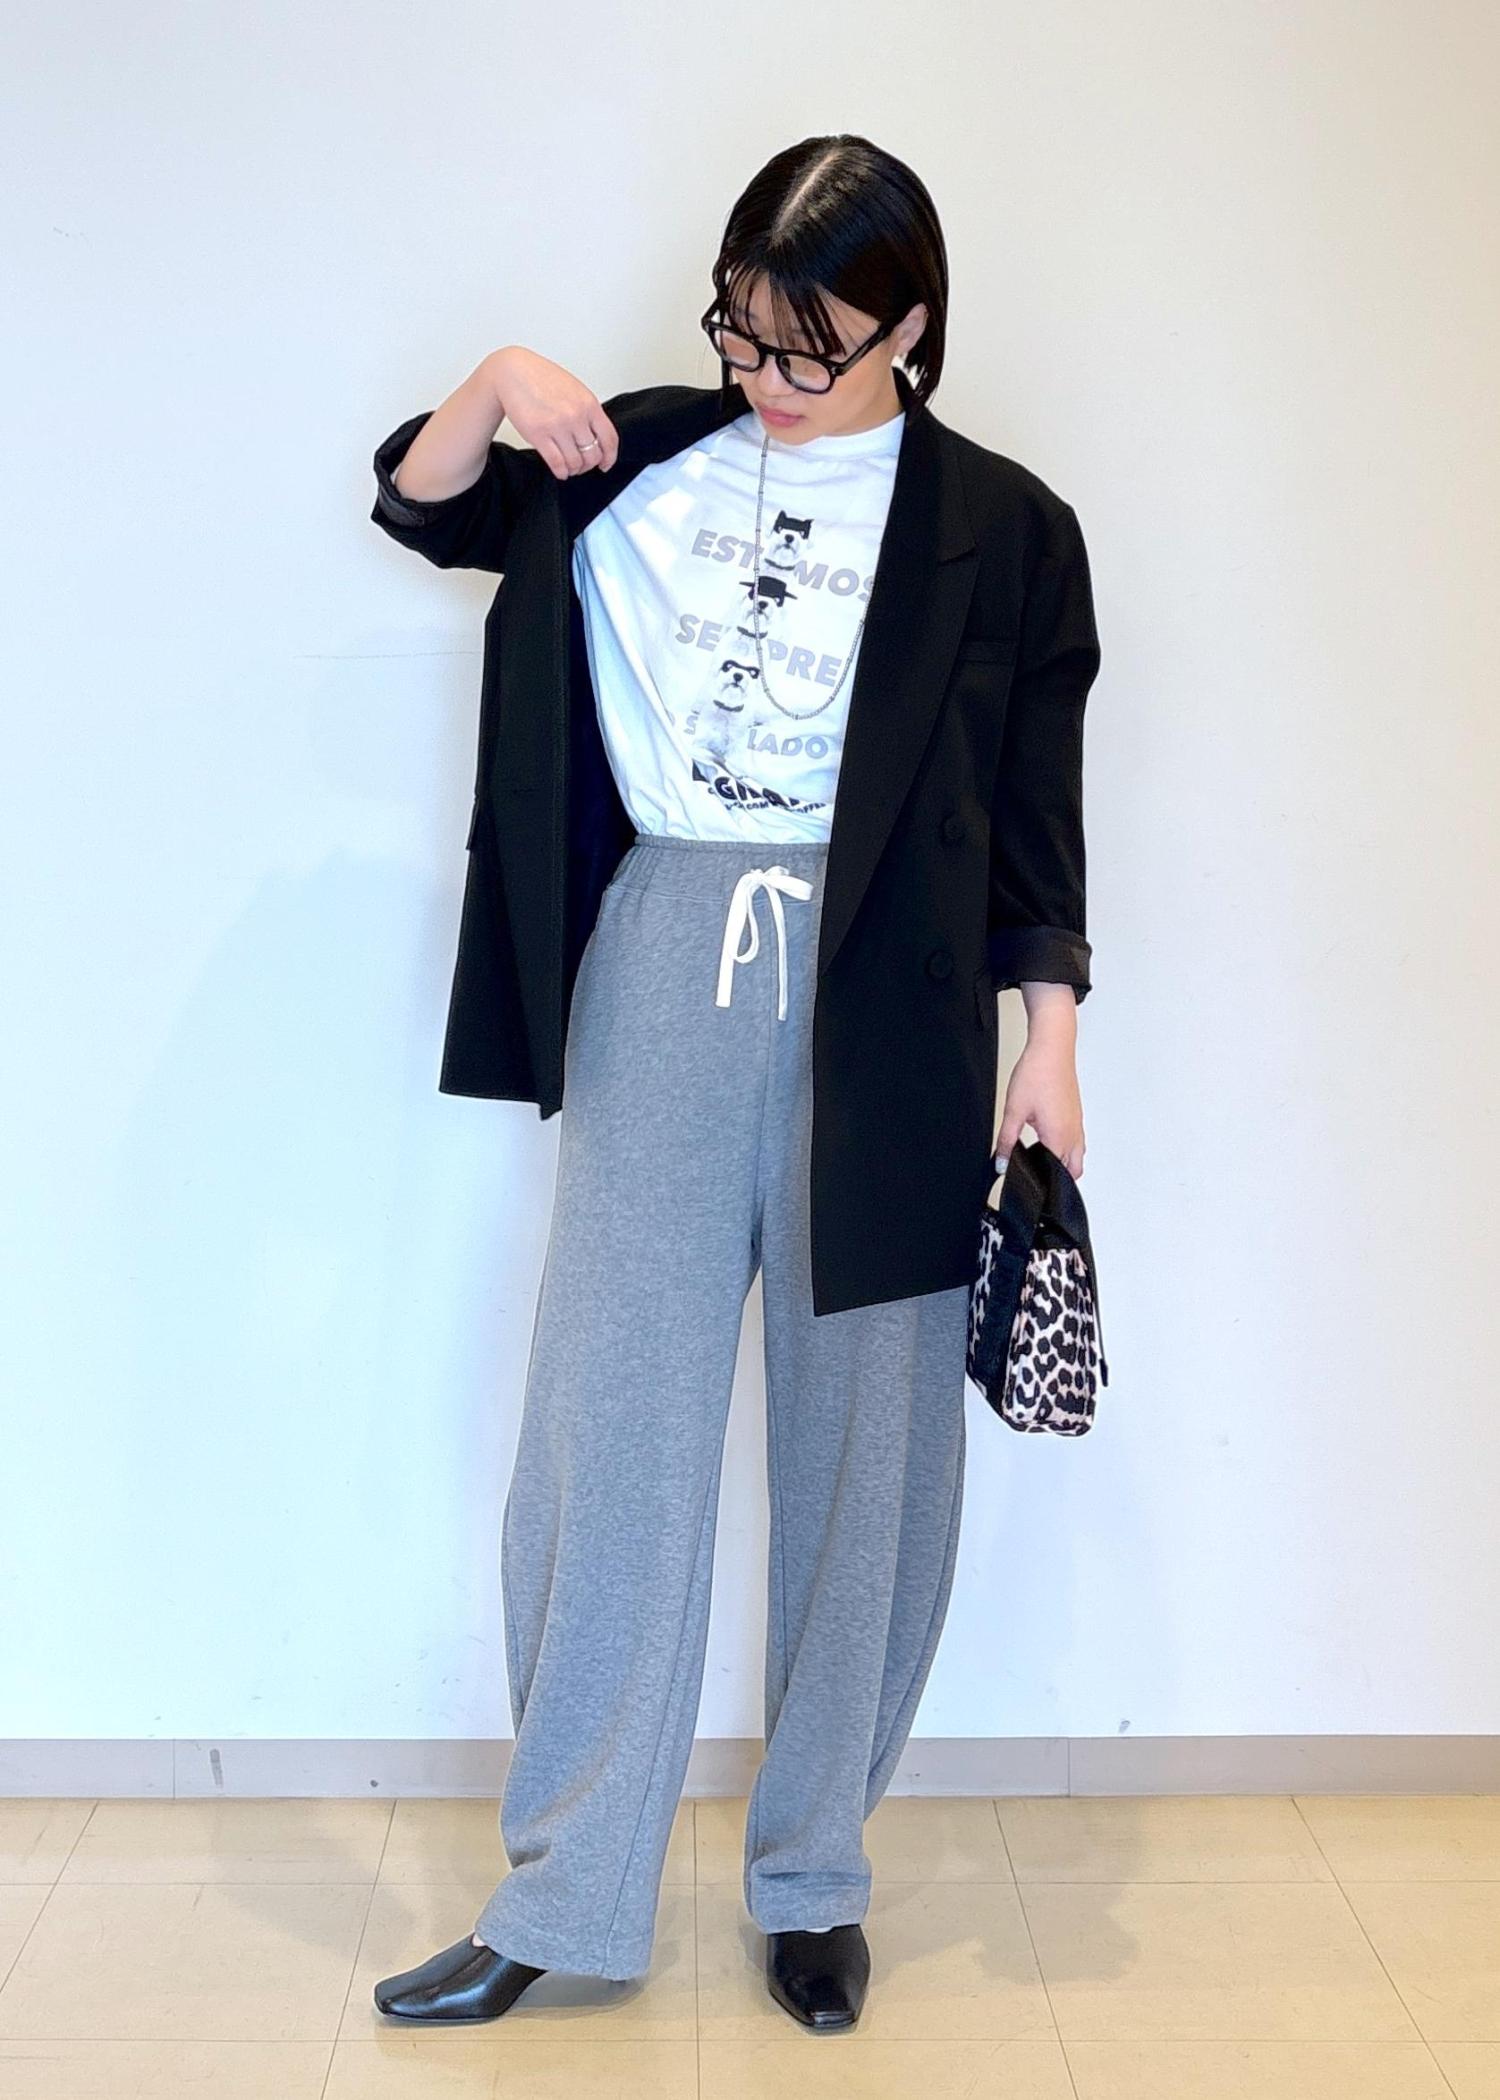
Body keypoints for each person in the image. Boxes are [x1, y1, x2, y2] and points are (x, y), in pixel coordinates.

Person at [368, 133, 1099, 2033]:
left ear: (908, 331)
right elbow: (425, 505)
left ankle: (813, 1877)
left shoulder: (1006, 528)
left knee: (869, 1455)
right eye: (744, 333)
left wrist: (1049, 1041)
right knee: (609, 1424)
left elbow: (1036, 819)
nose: (769, 377)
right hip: (666, 957)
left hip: (894, 994)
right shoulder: (639, 456)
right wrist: (493, 384)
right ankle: (567, 1888)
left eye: (811, 348)